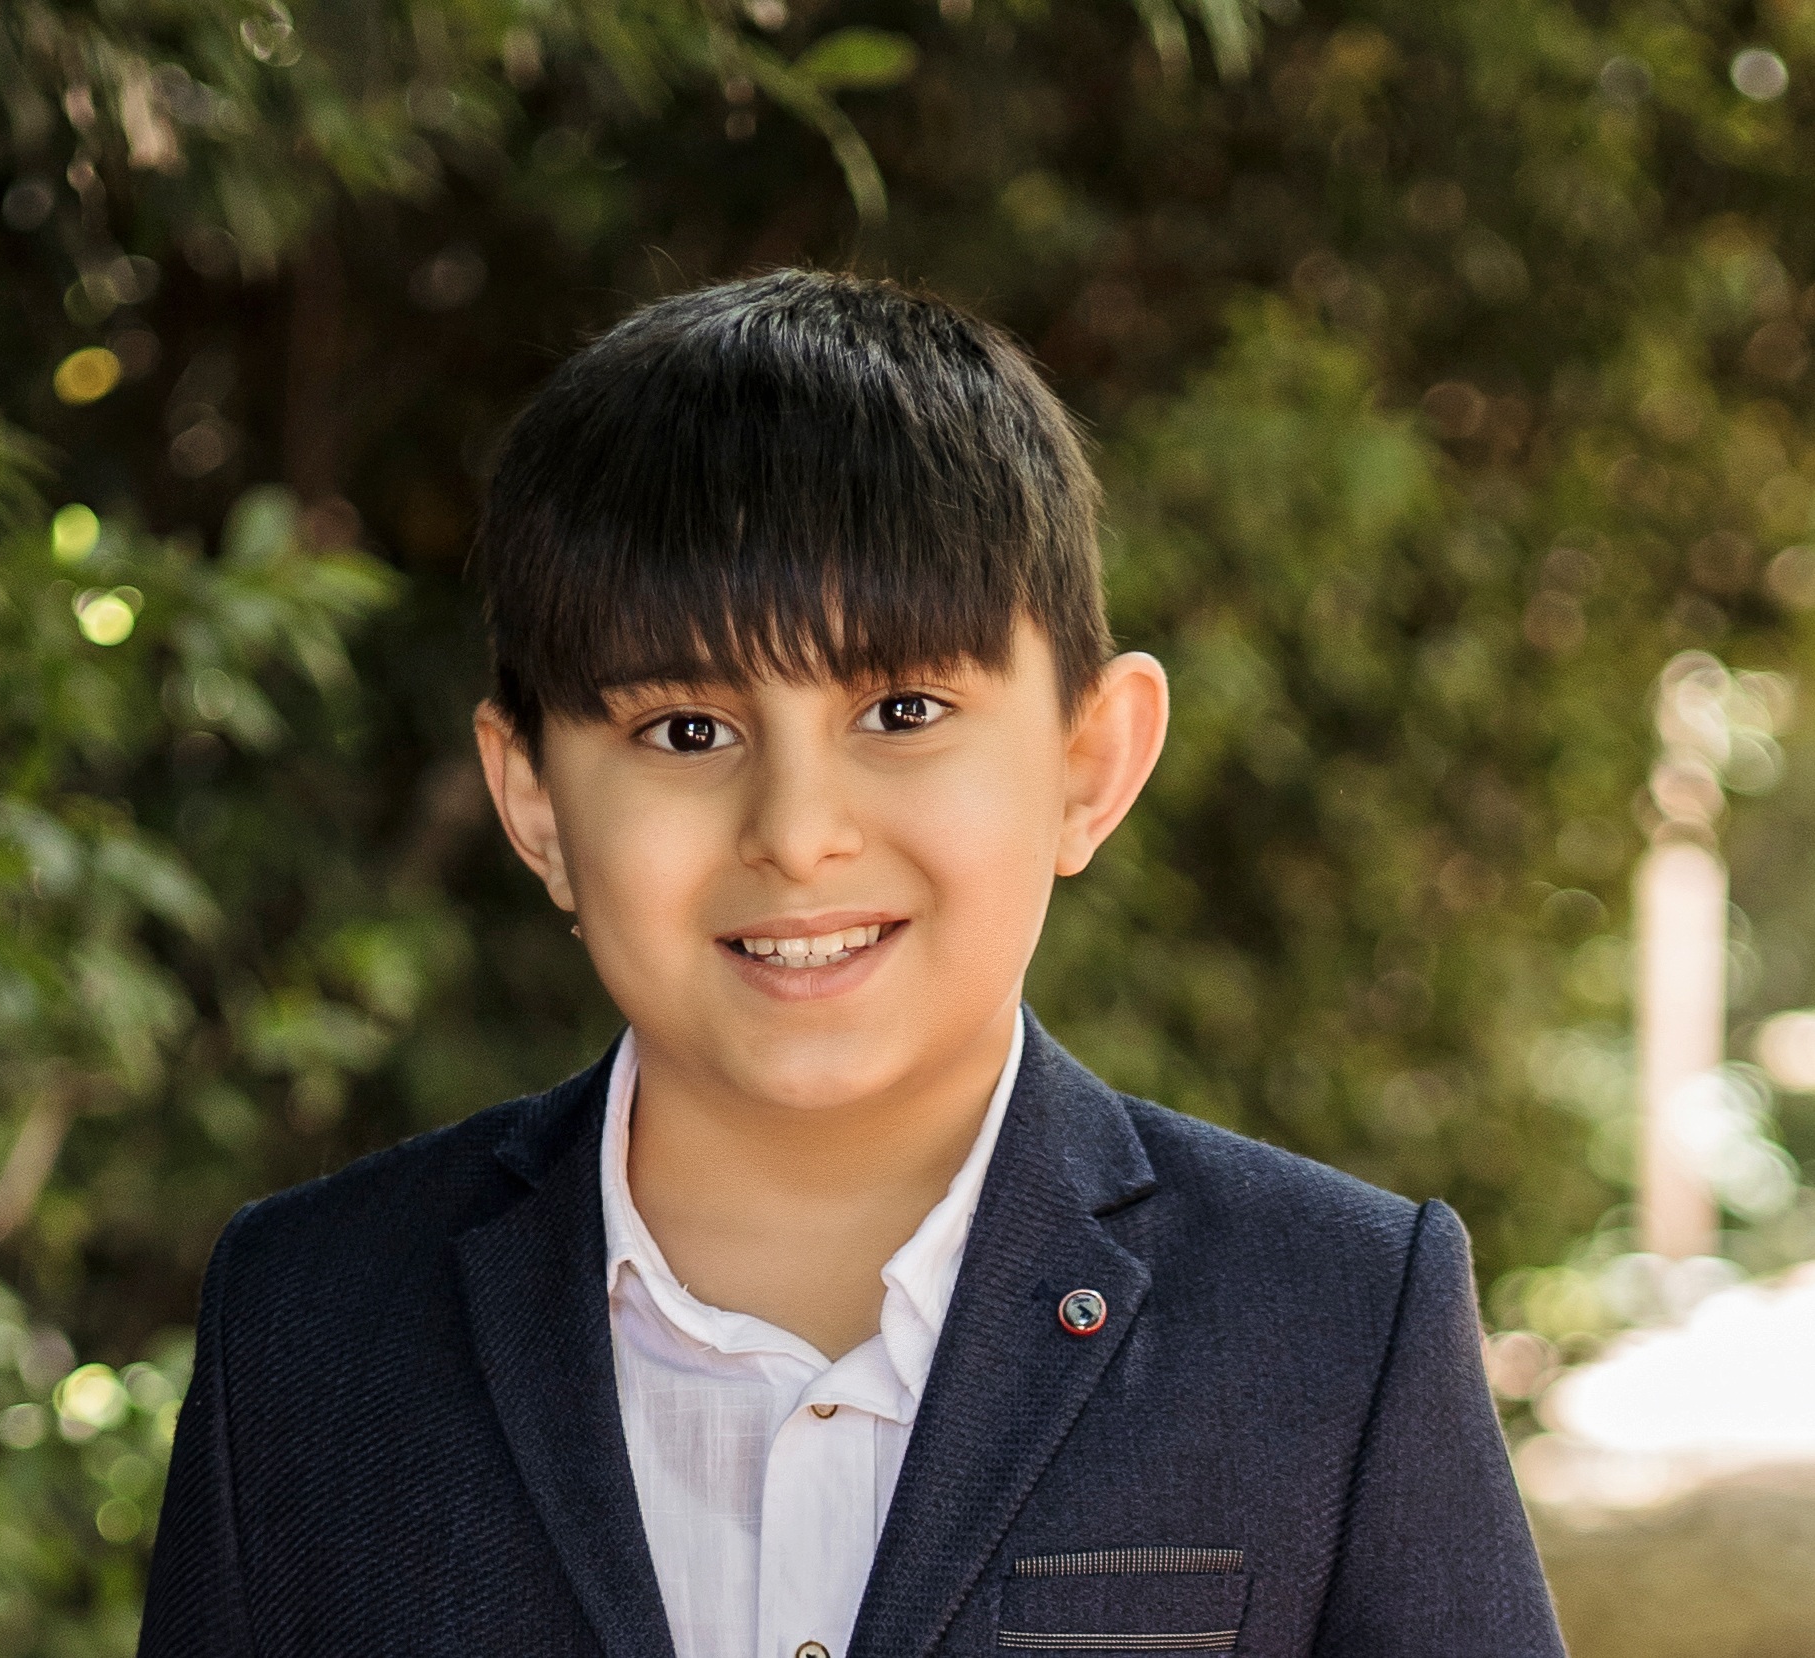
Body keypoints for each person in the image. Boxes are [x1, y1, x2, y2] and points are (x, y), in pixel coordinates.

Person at [138, 270, 1565, 1658]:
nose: (798, 833)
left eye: (902, 709)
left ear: (1088, 763)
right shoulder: (311, 1322)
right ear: (537, 805)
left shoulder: (1334, 1315)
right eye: (686, 731)